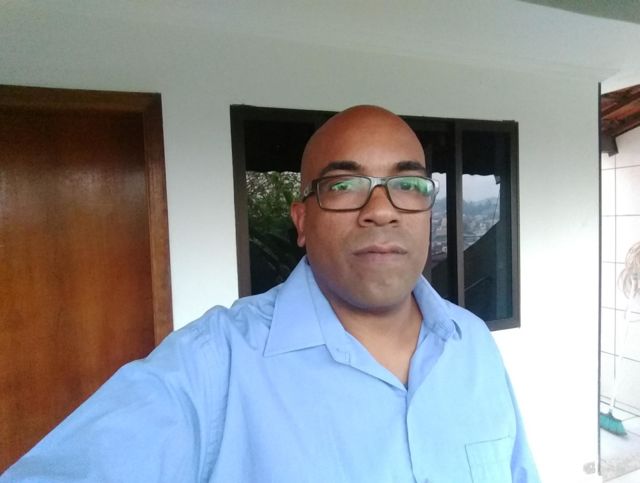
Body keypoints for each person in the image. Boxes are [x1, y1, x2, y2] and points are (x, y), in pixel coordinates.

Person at [2, 105, 539, 482]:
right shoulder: (213, 366)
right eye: (343, 186)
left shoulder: (471, 343)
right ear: (302, 221)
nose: (381, 209)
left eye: (408, 185)